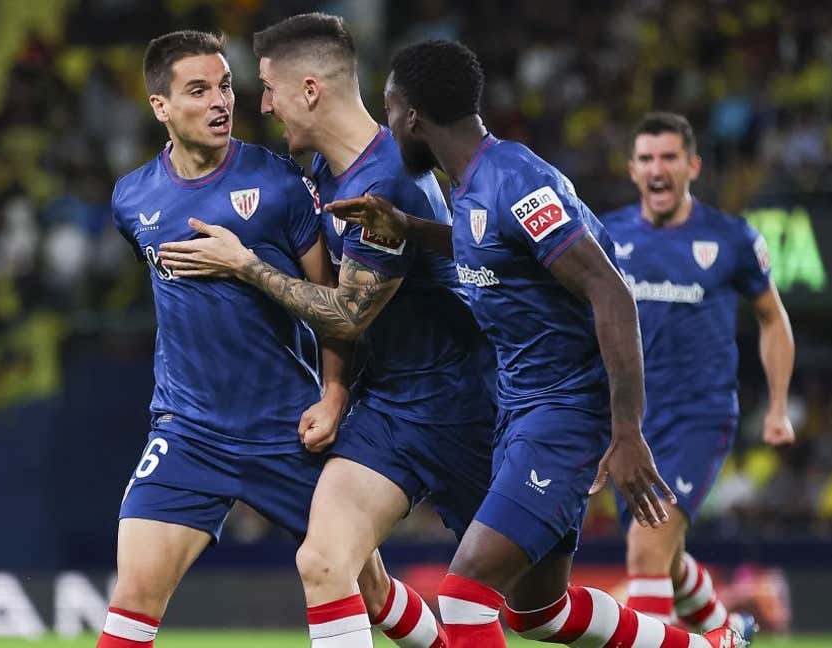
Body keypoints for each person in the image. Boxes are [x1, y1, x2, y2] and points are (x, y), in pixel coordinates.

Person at [325, 40, 746, 648]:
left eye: (388, 111)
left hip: (565, 415)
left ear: (413, 115)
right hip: (521, 410)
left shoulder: (517, 181)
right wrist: (411, 229)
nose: (387, 129)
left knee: (465, 598)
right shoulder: (473, 186)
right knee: (537, 613)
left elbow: (610, 292)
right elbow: (490, 250)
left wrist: (626, 433)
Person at [157, 14, 494, 648]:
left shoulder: (389, 178)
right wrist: (337, 393)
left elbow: (350, 312)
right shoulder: (327, 179)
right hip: (390, 408)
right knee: (322, 562)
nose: (262, 105)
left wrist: (245, 265)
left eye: (269, 89)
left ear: (309, 90)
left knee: (538, 608)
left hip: (461, 406)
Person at [97, 29, 389, 648]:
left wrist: (335, 396)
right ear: (160, 107)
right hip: (188, 432)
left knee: (372, 592)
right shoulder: (132, 199)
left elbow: (336, 308)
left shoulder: (279, 183)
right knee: (131, 599)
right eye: (198, 90)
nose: (220, 101)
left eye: (225, 85)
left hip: (286, 428)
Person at [598, 111, 794, 636]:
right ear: (632, 169)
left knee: (646, 545)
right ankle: (728, 632)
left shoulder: (730, 239)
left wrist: (777, 407)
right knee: (668, 555)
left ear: (693, 166)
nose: (656, 168)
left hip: (698, 416)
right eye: (646, 159)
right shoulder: (605, 236)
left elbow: (772, 318)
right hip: (629, 423)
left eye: (668, 157)